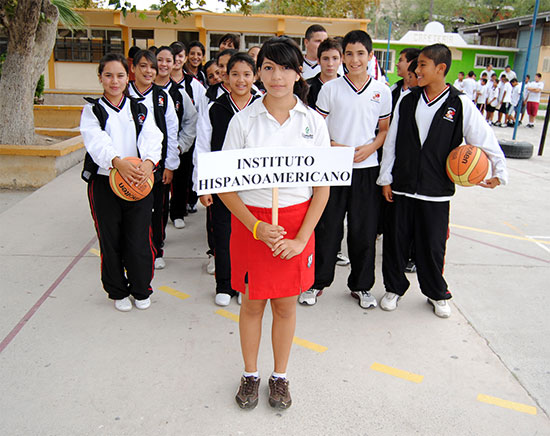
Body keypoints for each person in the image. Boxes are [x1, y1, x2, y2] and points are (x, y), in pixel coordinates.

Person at [218, 37, 330, 410]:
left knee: (285, 305)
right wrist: (255, 227)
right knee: (251, 305)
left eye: (285, 68)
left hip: (296, 225)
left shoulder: (314, 123)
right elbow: (225, 187)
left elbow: (322, 190)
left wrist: (301, 239)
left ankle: (279, 376)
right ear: (259, 72)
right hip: (253, 223)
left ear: (300, 73)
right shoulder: (243, 120)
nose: (276, 76)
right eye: (268, 67)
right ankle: (250, 373)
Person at [377, 44, 508, 318]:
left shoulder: (460, 103)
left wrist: (499, 172)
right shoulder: (408, 99)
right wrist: (386, 177)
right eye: (416, 65)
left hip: (436, 192)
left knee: (432, 247)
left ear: (441, 69)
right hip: (402, 187)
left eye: (423, 65)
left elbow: (484, 139)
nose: (416, 70)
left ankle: (436, 293)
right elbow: (392, 143)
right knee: (395, 243)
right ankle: (394, 288)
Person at [305, 30, 392, 309]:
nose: (354, 60)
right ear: (343, 57)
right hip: (332, 168)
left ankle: (362, 286)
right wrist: (333, 145)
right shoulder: (330, 89)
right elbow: (317, 130)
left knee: (363, 231)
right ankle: (316, 282)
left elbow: (384, 130)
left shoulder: (382, 91)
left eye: (360, 54)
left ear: (370, 56)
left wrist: (371, 147)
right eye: (349, 54)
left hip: (366, 169)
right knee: (327, 227)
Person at [80, 53, 163, 311]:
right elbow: (96, 142)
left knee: (139, 238)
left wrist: (148, 163)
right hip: (106, 184)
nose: (114, 81)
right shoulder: (93, 110)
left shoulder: (139, 109)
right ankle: (117, 290)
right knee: (110, 238)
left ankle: (141, 288)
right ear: (100, 78)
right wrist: (117, 162)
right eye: (108, 75)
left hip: (138, 182)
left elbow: (153, 137)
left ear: (128, 77)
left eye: (119, 75)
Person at [194, 53, 262, 306]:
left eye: (246, 74)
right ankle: (225, 284)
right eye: (235, 74)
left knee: (251, 236)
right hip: (223, 184)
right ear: (226, 77)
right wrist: (203, 185)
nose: (241, 80)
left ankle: (246, 283)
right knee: (223, 235)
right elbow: (202, 148)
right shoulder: (216, 108)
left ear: (255, 76)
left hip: (255, 185)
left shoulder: (263, 106)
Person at [128, 50, 180, 270]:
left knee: (157, 209)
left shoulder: (162, 96)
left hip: (156, 165)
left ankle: (156, 249)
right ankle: (132, 250)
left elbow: (172, 131)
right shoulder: (124, 92)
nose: (148, 71)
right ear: (133, 68)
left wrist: (170, 164)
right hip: (128, 165)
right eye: (143, 66)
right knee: (131, 209)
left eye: (152, 67)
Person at [153, 46, 198, 230]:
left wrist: (180, 146)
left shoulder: (179, 92)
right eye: (160, 60)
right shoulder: (141, 90)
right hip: (149, 155)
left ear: (174, 64)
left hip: (175, 150)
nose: (164, 64)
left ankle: (177, 213)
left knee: (179, 183)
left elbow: (191, 119)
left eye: (168, 60)